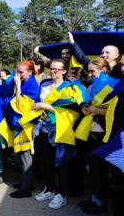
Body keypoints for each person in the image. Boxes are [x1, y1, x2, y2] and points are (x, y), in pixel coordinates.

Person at [33, 59, 79, 209]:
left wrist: (46, 106)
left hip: (61, 130)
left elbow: (73, 111)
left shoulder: (70, 88)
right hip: (43, 129)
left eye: (56, 69)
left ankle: (61, 194)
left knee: (61, 163)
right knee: (46, 161)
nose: (52, 71)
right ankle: (50, 188)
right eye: (51, 68)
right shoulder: (44, 84)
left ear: (64, 71)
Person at [77, 58, 113, 214]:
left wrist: (92, 108)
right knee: (92, 167)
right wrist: (83, 107)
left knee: (99, 169)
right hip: (90, 130)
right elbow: (87, 102)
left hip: (102, 132)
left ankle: (100, 202)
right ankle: (93, 197)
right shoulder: (92, 85)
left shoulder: (112, 85)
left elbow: (111, 112)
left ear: (104, 70)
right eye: (89, 71)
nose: (90, 75)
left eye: (92, 71)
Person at [8, 60, 40, 199]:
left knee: (26, 157)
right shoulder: (26, 82)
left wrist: (18, 86)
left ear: (30, 72)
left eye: (21, 72)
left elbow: (21, 105)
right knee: (20, 156)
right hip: (20, 124)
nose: (18, 75)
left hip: (26, 126)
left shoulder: (32, 85)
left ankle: (26, 189)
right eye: (17, 71)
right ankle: (27, 183)